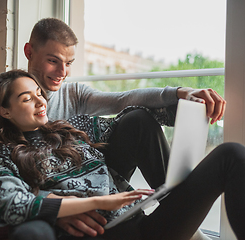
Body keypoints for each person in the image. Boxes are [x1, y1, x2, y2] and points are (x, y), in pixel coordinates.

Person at [0, 69, 245, 240]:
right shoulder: (1, 155)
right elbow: (10, 204)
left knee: (232, 154)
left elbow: (133, 119)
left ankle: (175, 193)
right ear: (4, 111)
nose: (39, 101)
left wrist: (188, 102)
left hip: (139, 226)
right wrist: (96, 202)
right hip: (98, 233)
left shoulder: (71, 129)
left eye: (38, 93)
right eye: (25, 98)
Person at [23, 18, 226, 237]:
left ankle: (186, 222)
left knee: (137, 119)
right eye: (53, 61)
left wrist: (180, 92)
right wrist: (57, 208)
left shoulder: (72, 94)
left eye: (69, 63)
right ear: (29, 52)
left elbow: (122, 99)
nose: (63, 72)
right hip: (59, 189)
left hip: (94, 176)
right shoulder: (9, 100)